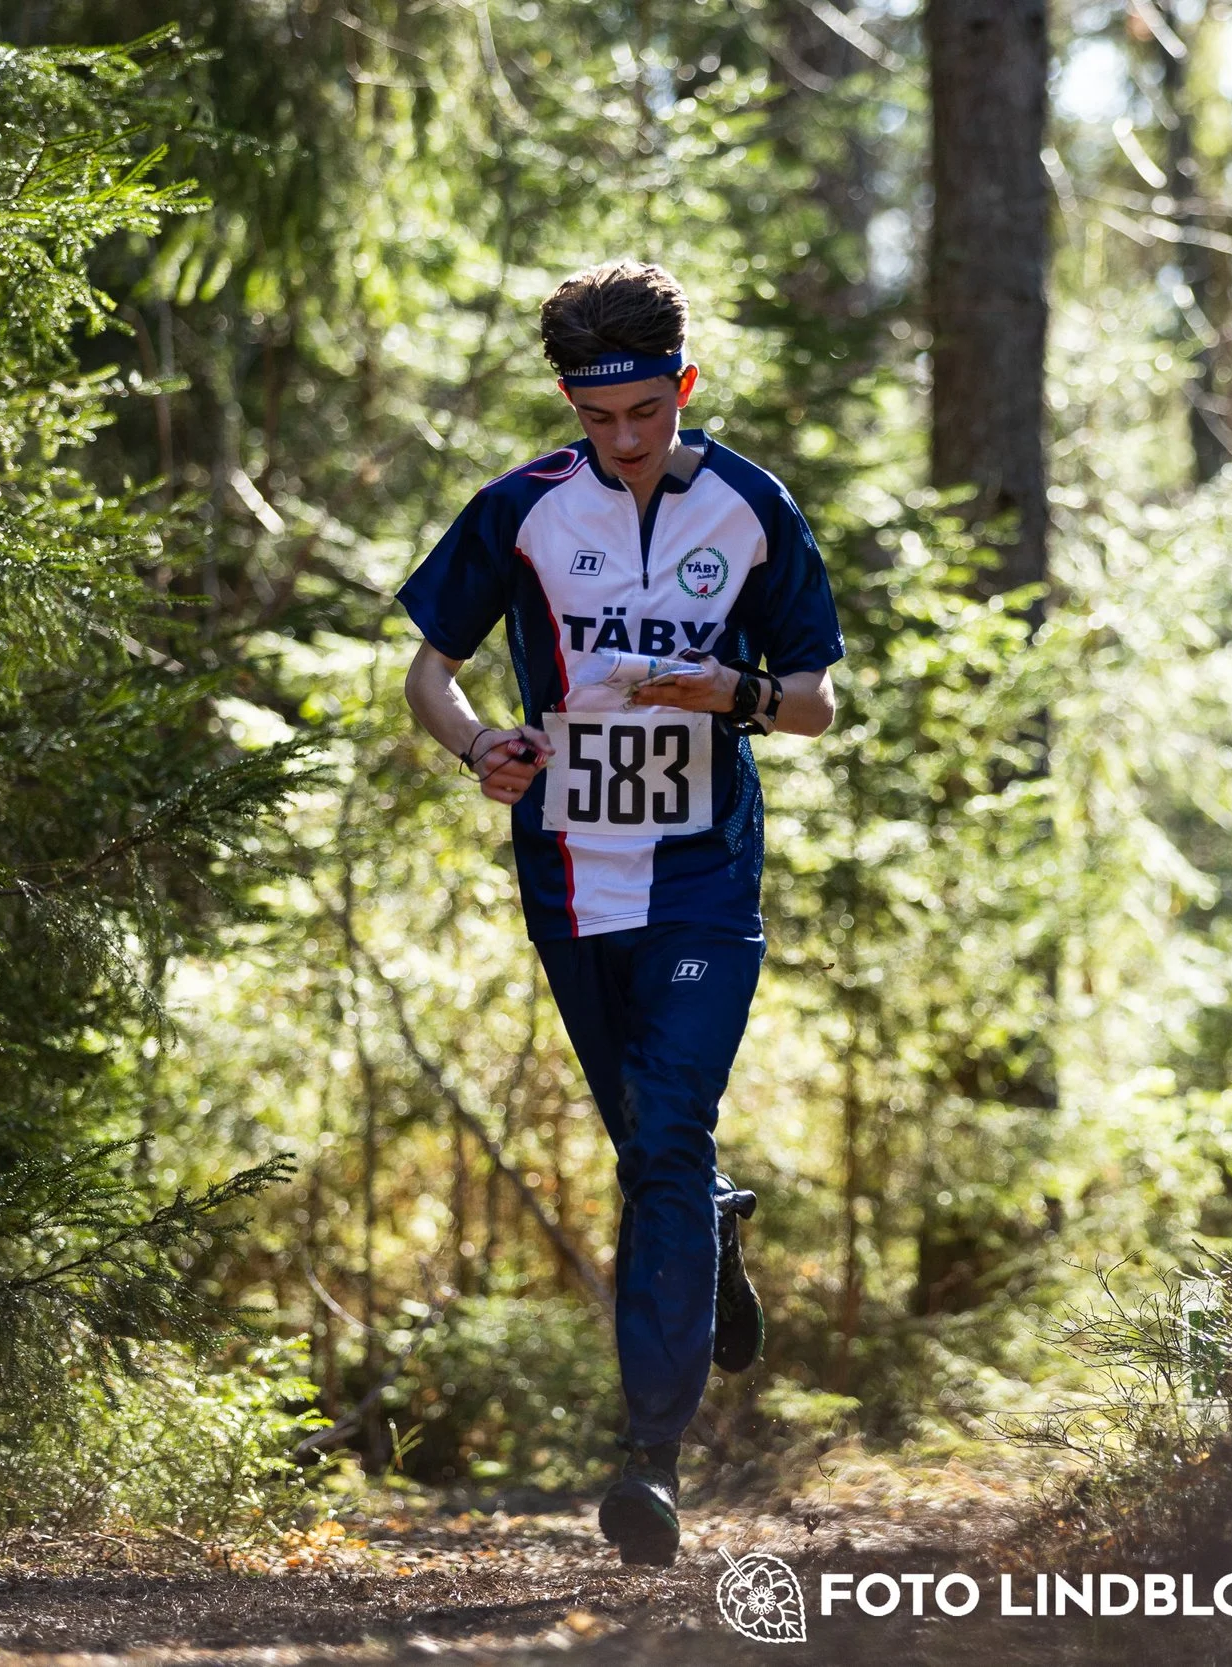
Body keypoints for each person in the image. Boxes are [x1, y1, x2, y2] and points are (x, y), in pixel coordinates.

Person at [396, 260, 842, 1566]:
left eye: (648, 411)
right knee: (651, 1144)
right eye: (602, 419)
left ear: (684, 388)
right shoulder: (523, 510)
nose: (627, 439)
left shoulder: (752, 509)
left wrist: (729, 696)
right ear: (572, 406)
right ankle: (709, 1226)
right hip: (571, 870)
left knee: (663, 1135)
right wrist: (480, 746)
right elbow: (432, 670)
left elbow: (816, 701)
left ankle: (649, 1457)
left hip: (703, 870)